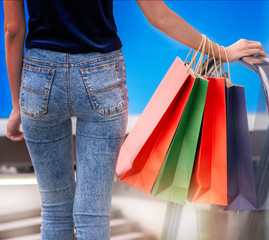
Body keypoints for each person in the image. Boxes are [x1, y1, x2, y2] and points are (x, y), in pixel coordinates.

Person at [3, 0, 267, 239]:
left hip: (40, 79)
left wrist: (17, 105)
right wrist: (220, 51)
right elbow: (158, 15)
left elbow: (13, 30)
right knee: (92, 216)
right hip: (102, 77)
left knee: (54, 211)